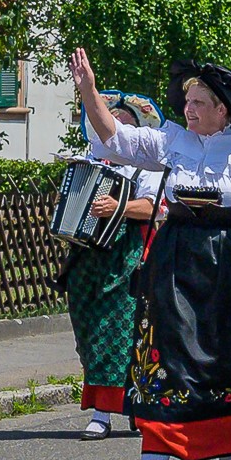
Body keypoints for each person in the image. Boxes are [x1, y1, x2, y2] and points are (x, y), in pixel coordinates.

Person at [71, 50, 231, 460]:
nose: (188, 109)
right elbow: (114, 136)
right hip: (176, 261)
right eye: (187, 101)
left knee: (230, 360)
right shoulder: (168, 141)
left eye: (198, 102)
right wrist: (88, 90)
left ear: (223, 110)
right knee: (166, 358)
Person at [62, 92, 162, 440]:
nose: (115, 128)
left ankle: (107, 412)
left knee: (118, 331)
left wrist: (118, 206)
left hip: (126, 256)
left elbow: (153, 208)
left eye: (122, 123)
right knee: (89, 331)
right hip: (86, 257)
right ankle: (112, 405)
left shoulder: (146, 167)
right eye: (109, 121)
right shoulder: (90, 161)